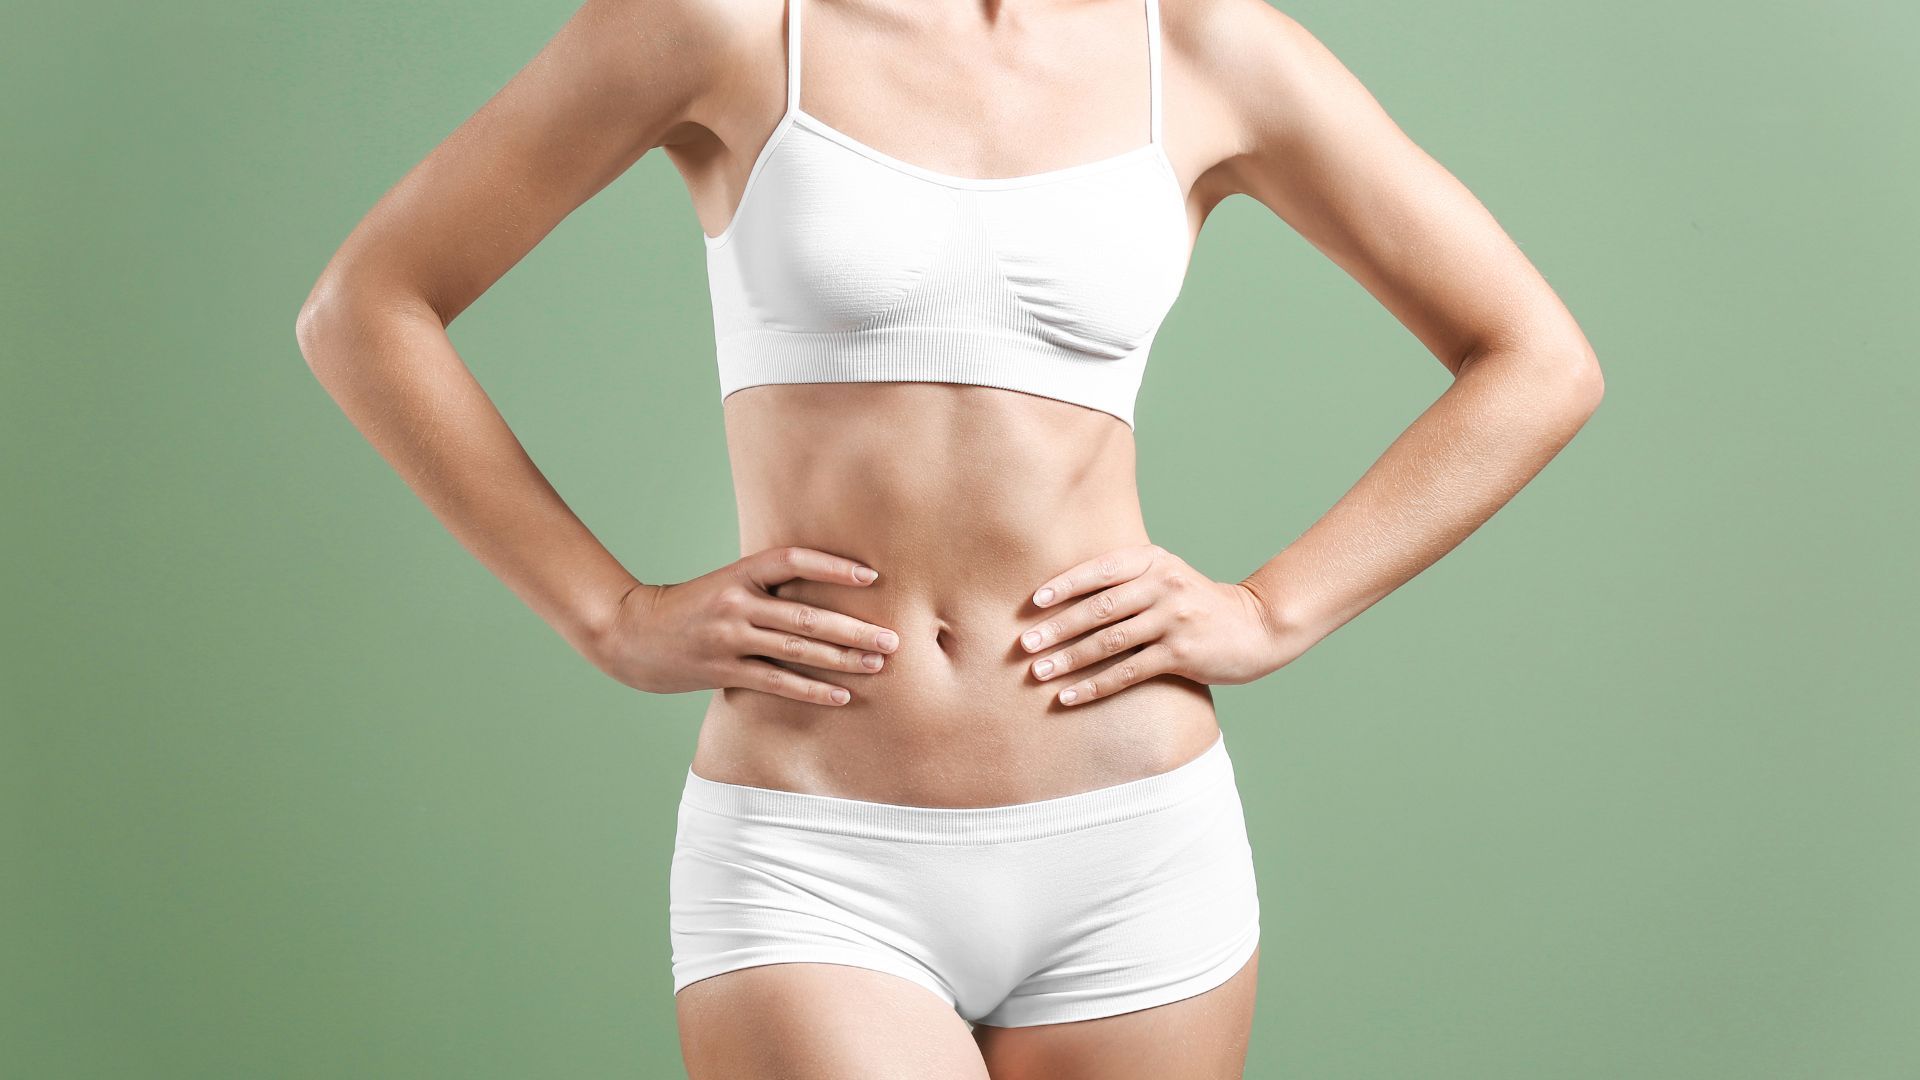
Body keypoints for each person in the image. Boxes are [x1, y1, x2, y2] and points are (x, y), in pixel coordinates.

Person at [294, 0, 1604, 1073]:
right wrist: (610, 614)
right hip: (816, 843)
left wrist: (1274, 609)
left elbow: (1538, 361)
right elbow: (365, 308)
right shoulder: (728, 25)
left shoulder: (1202, 46)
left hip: (1135, 839)